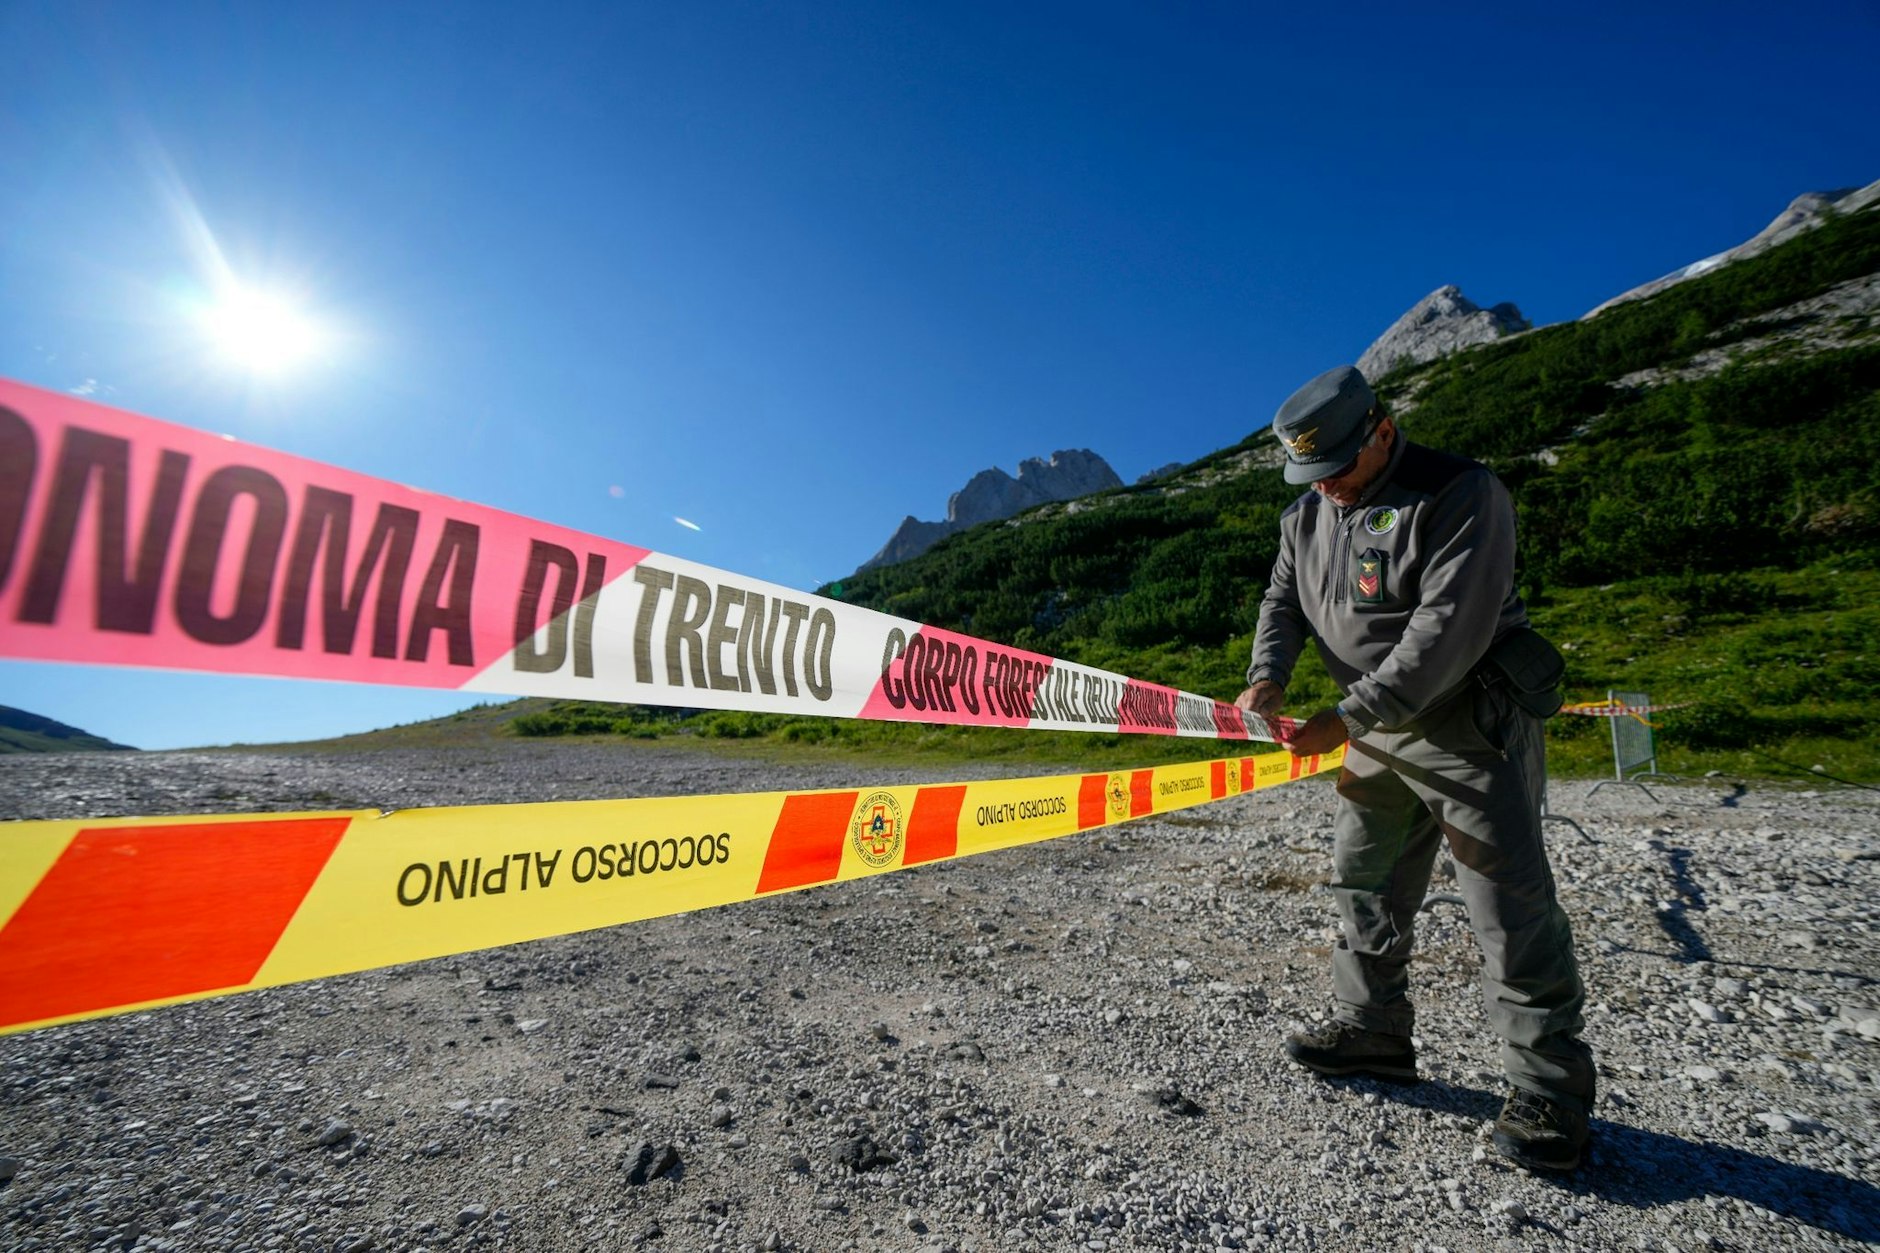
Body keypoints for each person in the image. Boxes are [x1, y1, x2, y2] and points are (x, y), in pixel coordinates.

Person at [1234, 364, 1595, 1171]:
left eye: (1338, 467)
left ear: (1383, 431)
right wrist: (1269, 675)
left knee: (1507, 903)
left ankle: (1551, 1090)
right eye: (1310, 472)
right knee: (1364, 878)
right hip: (1372, 730)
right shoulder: (1305, 516)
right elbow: (1282, 602)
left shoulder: (1461, 493)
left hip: (1469, 720)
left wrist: (1346, 716)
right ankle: (1373, 1029)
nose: (1326, 486)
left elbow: (1446, 631)